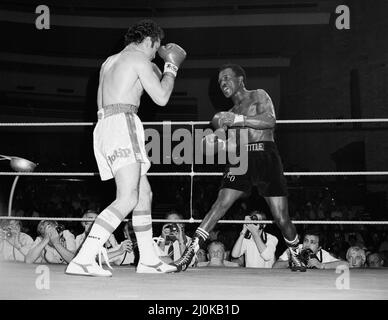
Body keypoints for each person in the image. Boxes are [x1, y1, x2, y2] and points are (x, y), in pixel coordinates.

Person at [65, 19, 186, 277]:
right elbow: (162, 97)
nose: (157, 51)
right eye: (157, 46)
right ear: (150, 41)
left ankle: (149, 260)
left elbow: (138, 85)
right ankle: (84, 257)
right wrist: (172, 66)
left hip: (106, 125)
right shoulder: (140, 60)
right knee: (128, 197)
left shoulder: (111, 61)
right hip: (123, 124)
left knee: (144, 194)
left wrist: (159, 69)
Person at [173, 63, 306, 272]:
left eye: (226, 78)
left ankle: (295, 252)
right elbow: (225, 146)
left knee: (281, 216)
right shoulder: (226, 114)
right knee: (220, 204)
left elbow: (270, 121)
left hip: (265, 155)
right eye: (220, 81)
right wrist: (212, 142)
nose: (222, 83)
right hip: (240, 157)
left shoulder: (258, 95)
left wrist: (239, 119)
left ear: (240, 79)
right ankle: (191, 250)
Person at [273, 228, 348, 269]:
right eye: (306, 241)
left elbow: (346, 265)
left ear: (319, 248)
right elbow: (275, 266)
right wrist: (291, 263)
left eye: (312, 242)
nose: (307, 245)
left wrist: (321, 265)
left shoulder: (323, 254)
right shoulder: (294, 249)